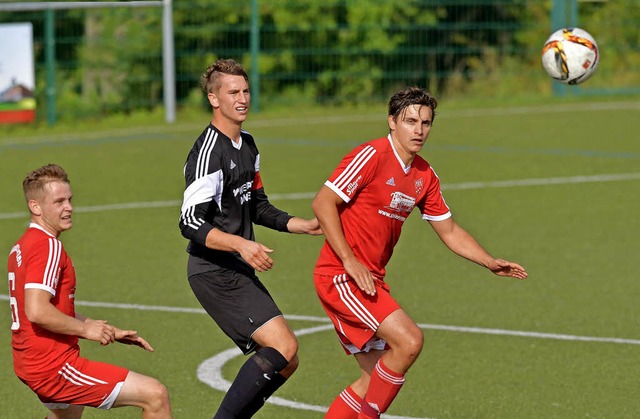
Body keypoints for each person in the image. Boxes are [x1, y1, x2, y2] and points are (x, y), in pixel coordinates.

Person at [311, 87, 528, 418]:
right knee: (410, 341)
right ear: (392, 122)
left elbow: (450, 230)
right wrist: (349, 260)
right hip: (340, 276)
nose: (419, 130)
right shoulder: (371, 155)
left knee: (372, 380)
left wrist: (488, 260)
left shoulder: (424, 175)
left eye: (425, 123)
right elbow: (323, 203)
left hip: (369, 279)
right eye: (410, 121)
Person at [178, 58, 322, 418]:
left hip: (235, 269)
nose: (242, 98)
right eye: (233, 92)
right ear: (214, 99)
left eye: (245, 90)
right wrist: (241, 244)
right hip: (213, 270)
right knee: (284, 347)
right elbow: (189, 221)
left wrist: (299, 224)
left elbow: (256, 205)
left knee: (286, 361)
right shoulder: (208, 153)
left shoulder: (248, 145)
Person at [7, 163, 172, 419]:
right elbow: (37, 310)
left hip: (31, 361)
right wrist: (86, 330)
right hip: (53, 366)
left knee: (69, 413)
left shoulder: (22, 246)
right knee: (155, 394)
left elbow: (52, 306)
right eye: (59, 201)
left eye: (69, 200)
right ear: (35, 206)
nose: (69, 207)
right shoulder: (48, 247)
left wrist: (103, 328)